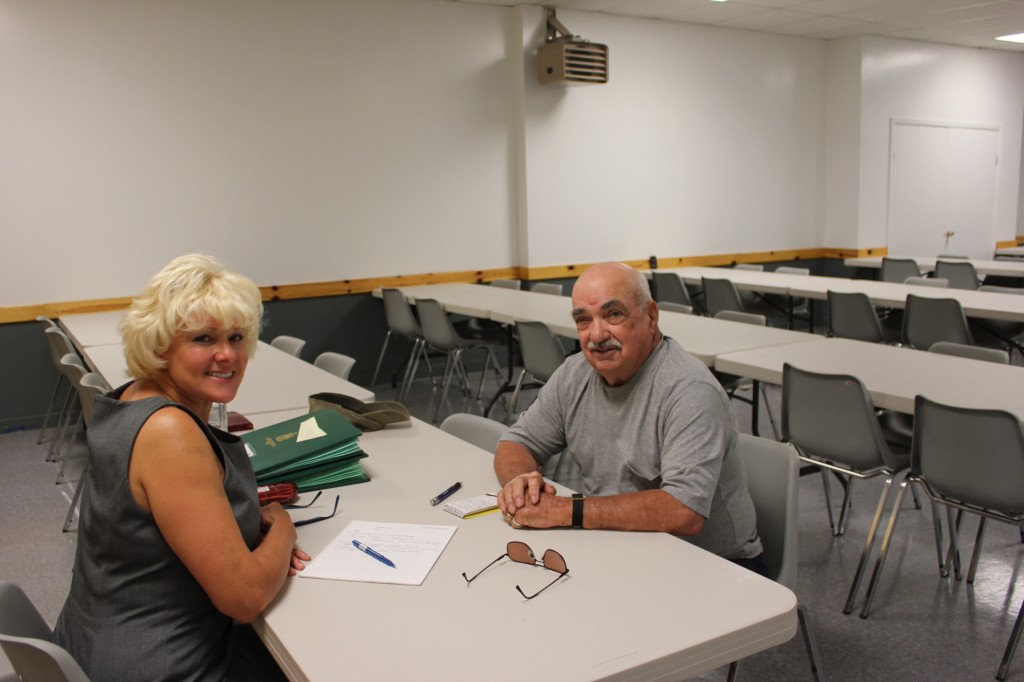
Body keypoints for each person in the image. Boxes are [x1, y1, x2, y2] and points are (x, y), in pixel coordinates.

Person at [53, 253, 311, 681]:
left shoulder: (132, 398)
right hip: (164, 664)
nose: (228, 355)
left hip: (99, 643)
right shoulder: (169, 431)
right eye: (204, 339)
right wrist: (282, 527)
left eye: (237, 337)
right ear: (159, 345)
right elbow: (243, 598)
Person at [495, 262, 764, 570]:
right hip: (616, 543)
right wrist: (521, 484)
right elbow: (515, 443)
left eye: (614, 315)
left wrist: (568, 510)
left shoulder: (690, 390)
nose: (597, 335)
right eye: (584, 320)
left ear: (651, 317)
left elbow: (683, 511)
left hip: (712, 566)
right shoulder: (574, 374)